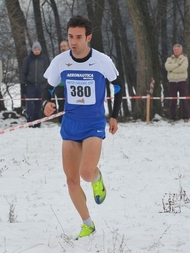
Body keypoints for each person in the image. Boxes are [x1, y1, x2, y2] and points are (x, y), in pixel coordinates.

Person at [42, 15, 123, 240]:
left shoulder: (101, 60)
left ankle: (98, 179)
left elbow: (117, 86)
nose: (73, 42)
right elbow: (47, 88)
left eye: (78, 37)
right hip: (70, 124)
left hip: (94, 123)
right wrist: (45, 103)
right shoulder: (60, 61)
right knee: (71, 180)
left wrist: (114, 116)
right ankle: (88, 224)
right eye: (70, 37)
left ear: (88, 37)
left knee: (86, 173)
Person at [20, 41, 49, 128]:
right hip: (30, 85)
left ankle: (38, 122)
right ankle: (30, 122)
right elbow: (23, 73)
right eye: (35, 49)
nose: (36, 51)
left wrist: (47, 85)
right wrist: (23, 84)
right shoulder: (27, 60)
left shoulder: (44, 60)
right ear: (32, 50)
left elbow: (48, 73)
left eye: (38, 49)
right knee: (30, 104)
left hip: (41, 85)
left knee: (39, 104)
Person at [164, 44, 190, 123]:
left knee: (184, 100)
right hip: (172, 82)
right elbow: (167, 67)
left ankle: (186, 117)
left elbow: (183, 68)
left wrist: (172, 70)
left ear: (181, 50)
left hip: (182, 81)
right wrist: (177, 65)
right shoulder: (169, 59)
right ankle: (172, 117)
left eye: (178, 49)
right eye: (175, 49)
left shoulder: (184, 59)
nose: (176, 51)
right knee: (172, 101)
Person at [50, 40, 70, 123]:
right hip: (60, 86)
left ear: (68, 46)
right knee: (61, 104)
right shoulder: (58, 59)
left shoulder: (73, 57)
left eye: (64, 46)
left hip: (70, 86)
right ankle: (62, 121)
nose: (63, 48)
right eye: (61, 47)